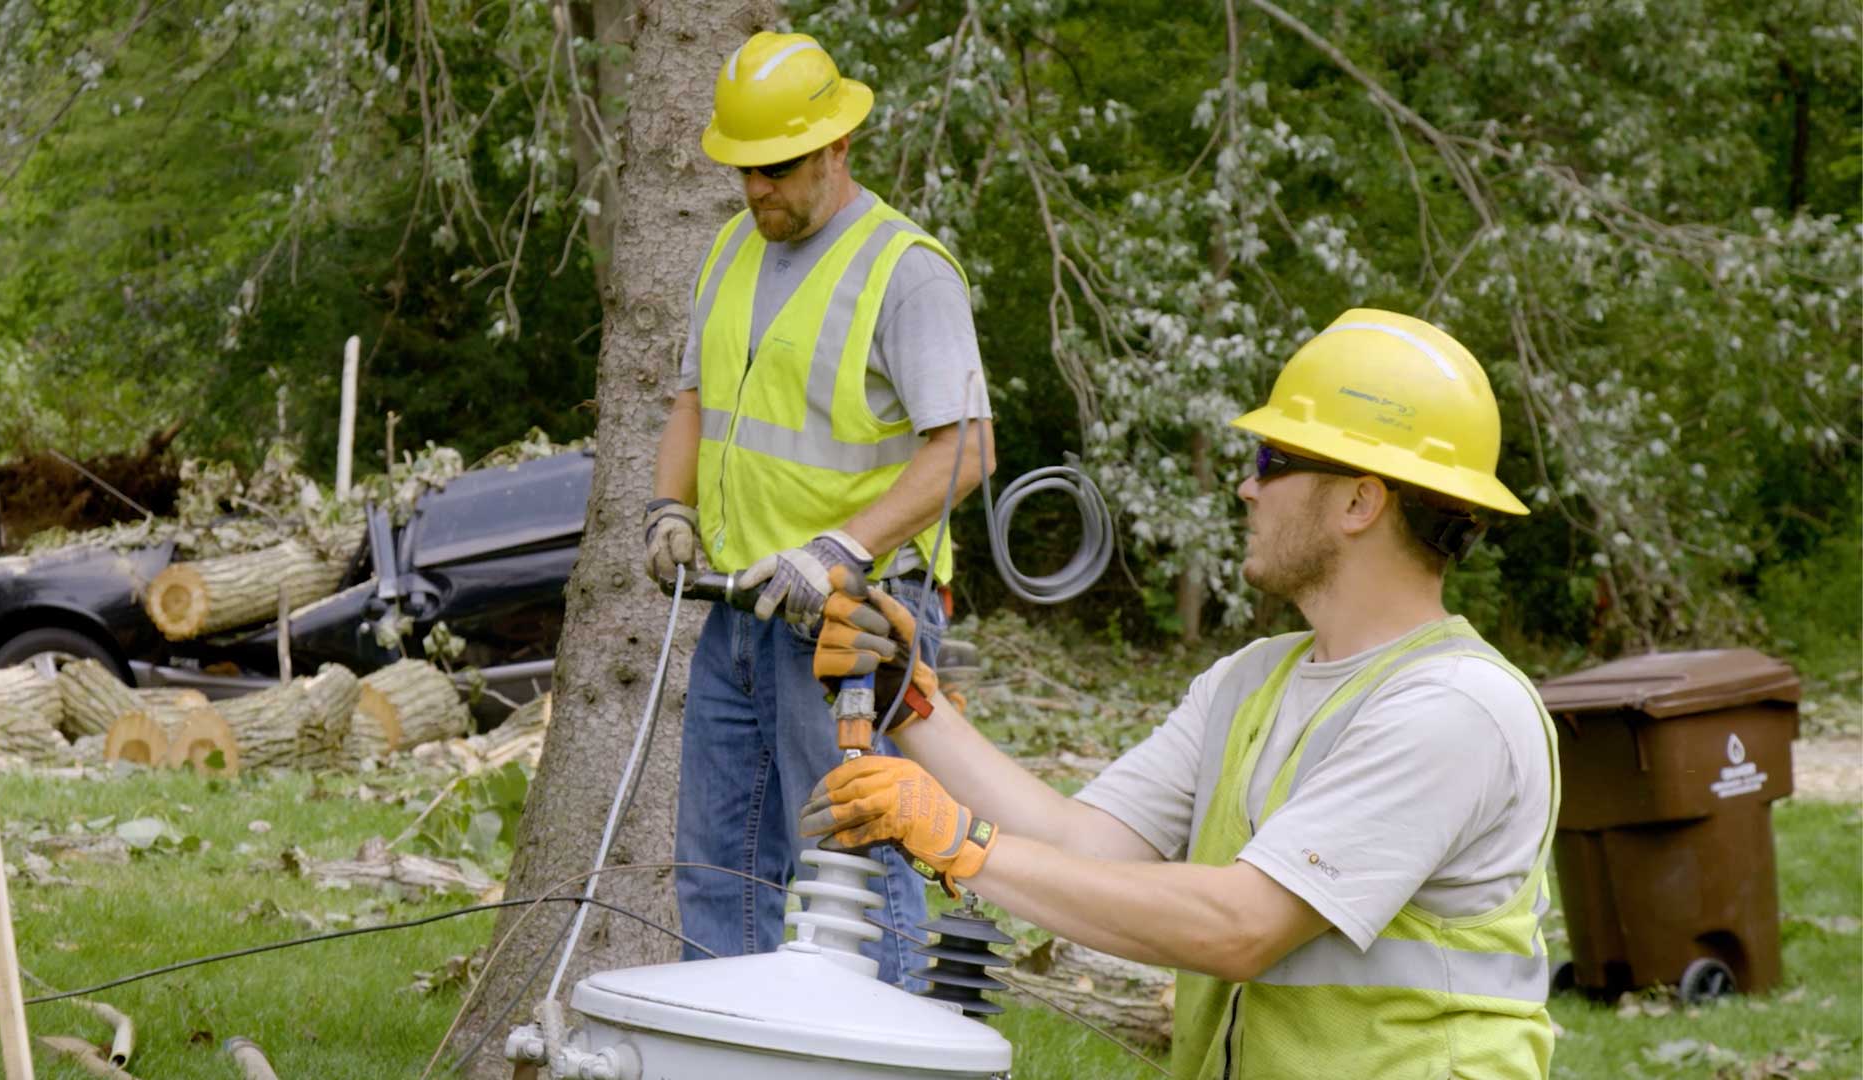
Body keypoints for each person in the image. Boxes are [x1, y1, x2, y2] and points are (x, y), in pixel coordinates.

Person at [803, 309, 1560, 1079]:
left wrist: (961, 846)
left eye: (1271, 459)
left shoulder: (1455, 708)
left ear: (1359, 502)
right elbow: (1082, 846)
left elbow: (1241, 926)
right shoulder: (1251, 680)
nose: (1245, 487)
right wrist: (913, 708)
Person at [642, 30, 994, 987]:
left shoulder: (906, 270)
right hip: (737, 616)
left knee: (865, 878)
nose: (759, 190)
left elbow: (966, 449)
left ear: (838, 147)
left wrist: (840, 547)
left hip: (855, 628)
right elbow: (693, 401)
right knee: (718, 876)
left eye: (779, 168)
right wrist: (665, 510)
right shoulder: (729, 249)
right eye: (744, 170)